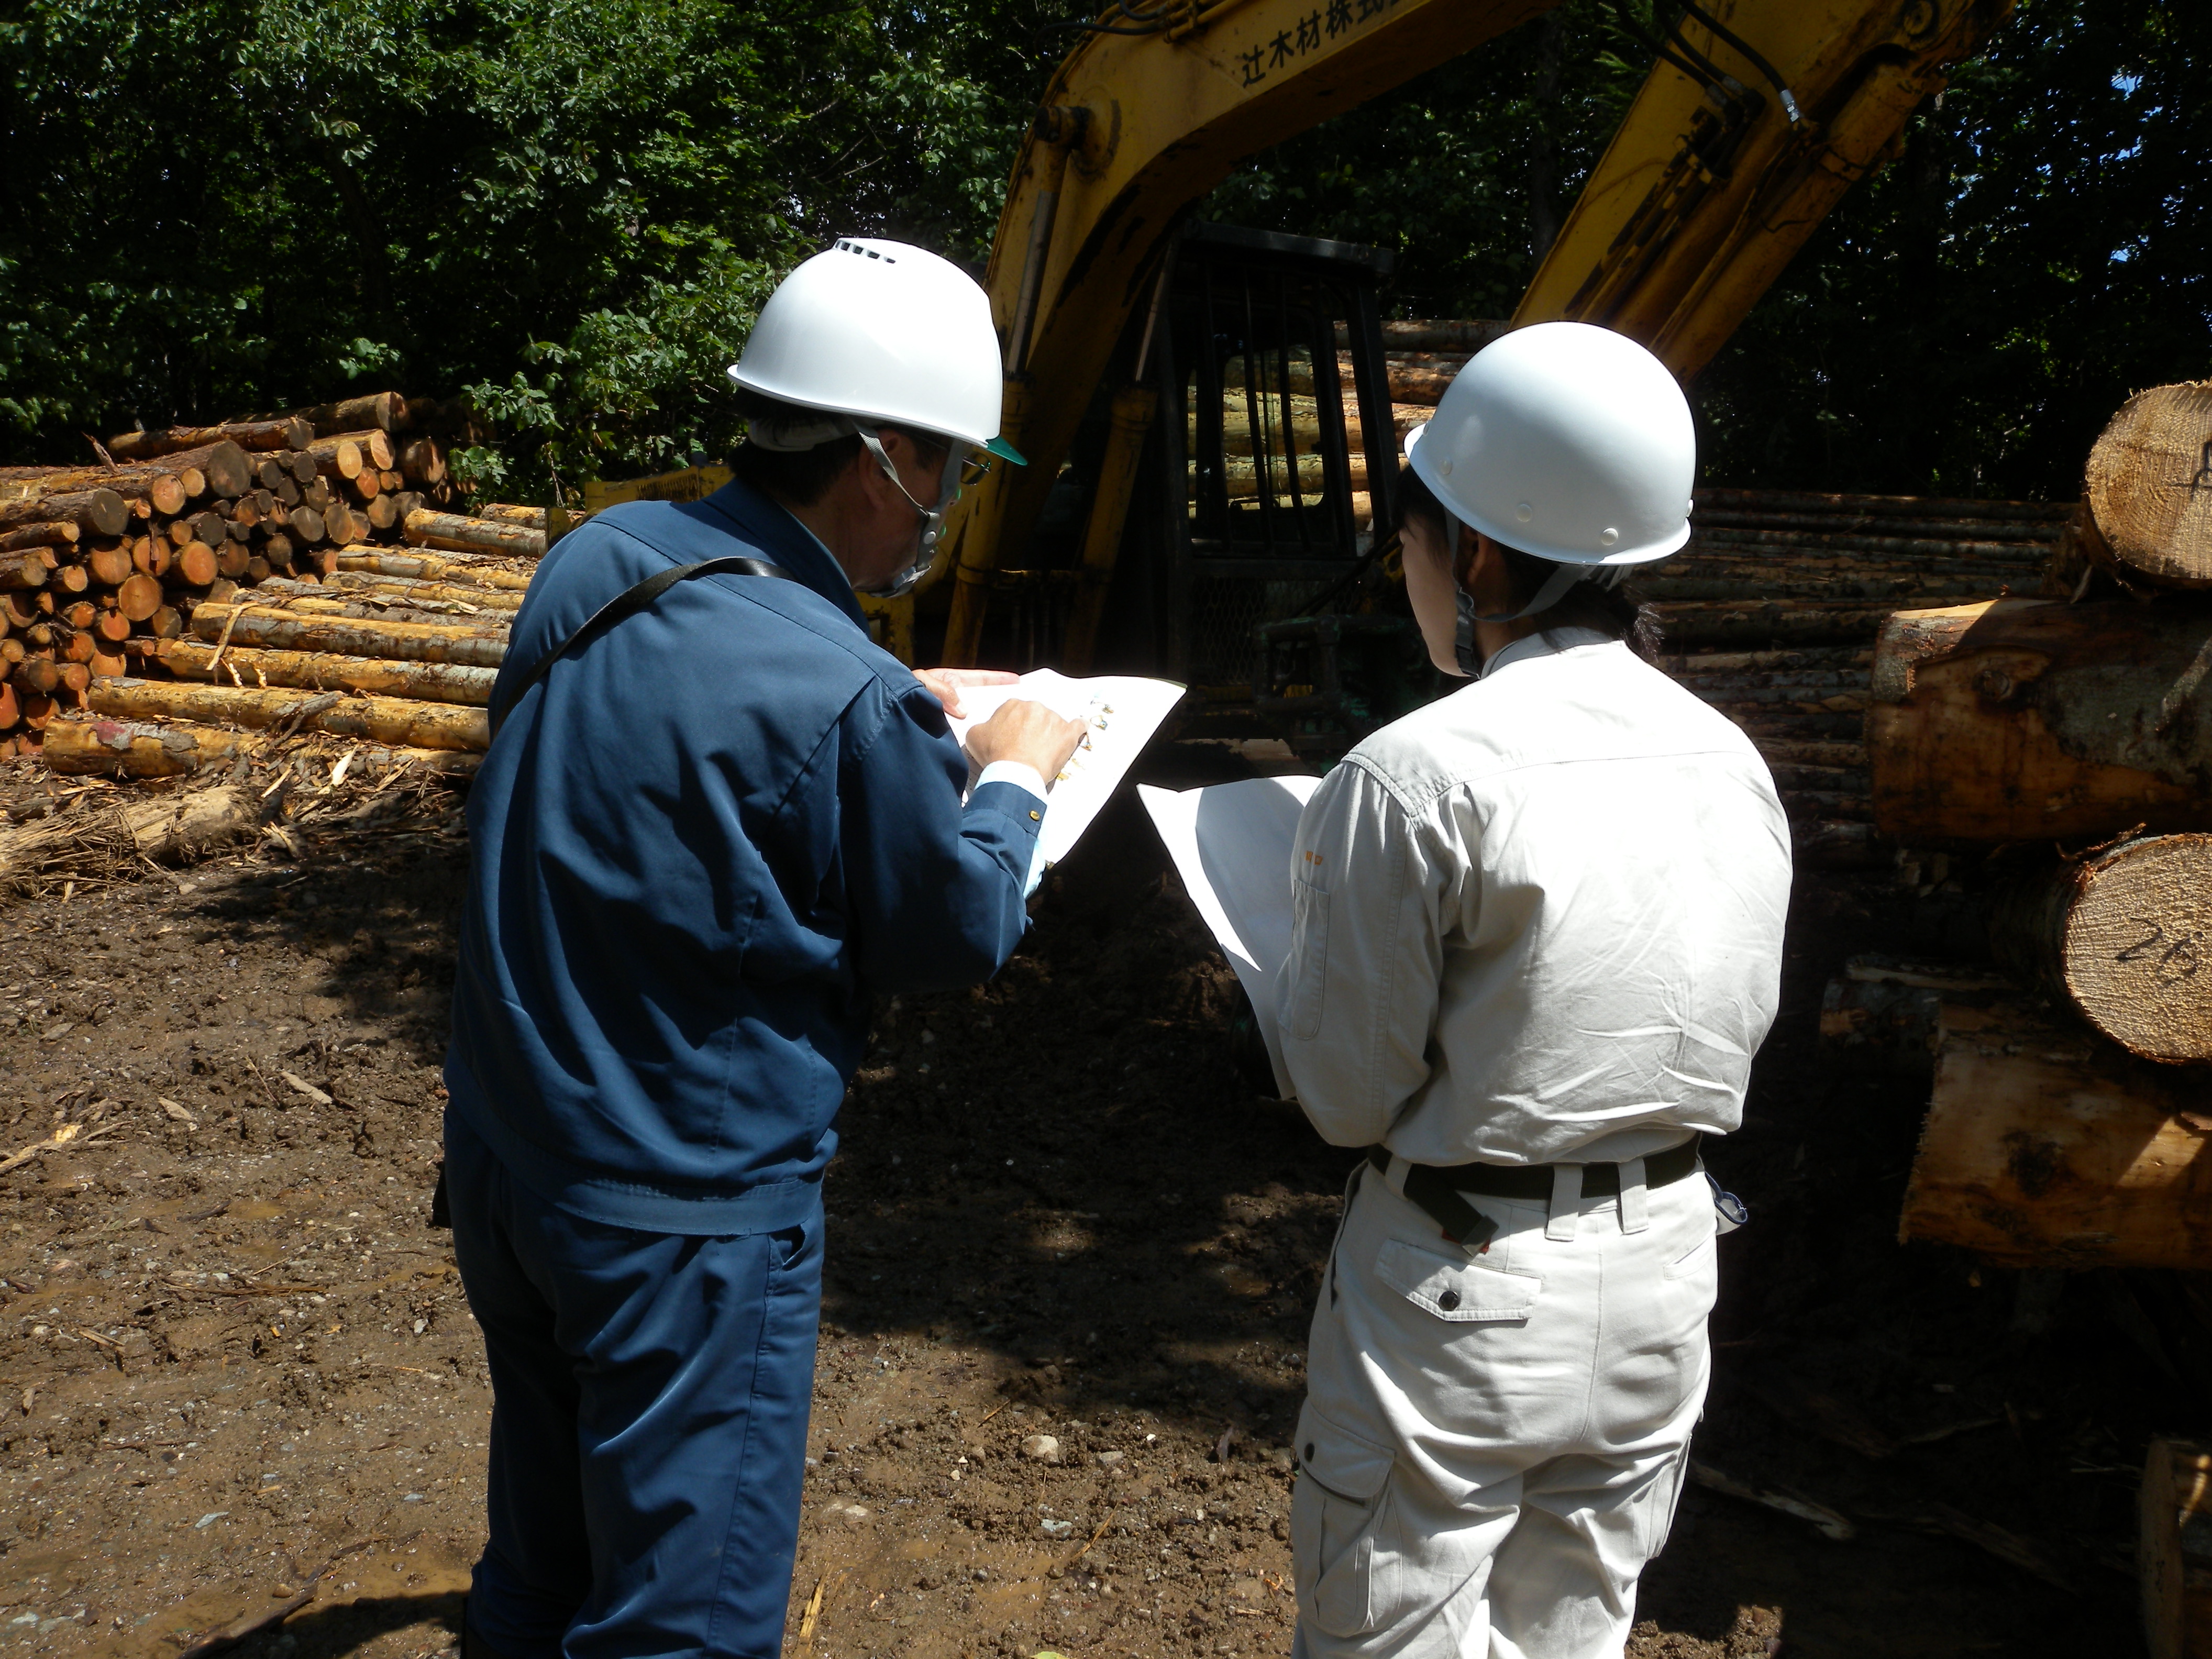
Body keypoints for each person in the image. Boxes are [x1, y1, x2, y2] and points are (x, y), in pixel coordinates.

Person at [440, 236, 1086, 1659]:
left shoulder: (598, 558)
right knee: (683, 1626)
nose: (949, 502)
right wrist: (1019, 772)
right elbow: (957, 929)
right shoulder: (844, 694)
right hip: (681, 1218)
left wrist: (885, 706)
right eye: (951, 467)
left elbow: (631, 756)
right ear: (885, 459)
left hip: (507, 1154)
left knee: (541, 1562)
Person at [1276, 322, 1793, 1659]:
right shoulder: (1732, 760)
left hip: (1458, 1285)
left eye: (1412, 543)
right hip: (1666, 1267)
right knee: (1576, 1633)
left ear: (1479, 556)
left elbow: (1346, 1101)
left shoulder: (1410, 774)